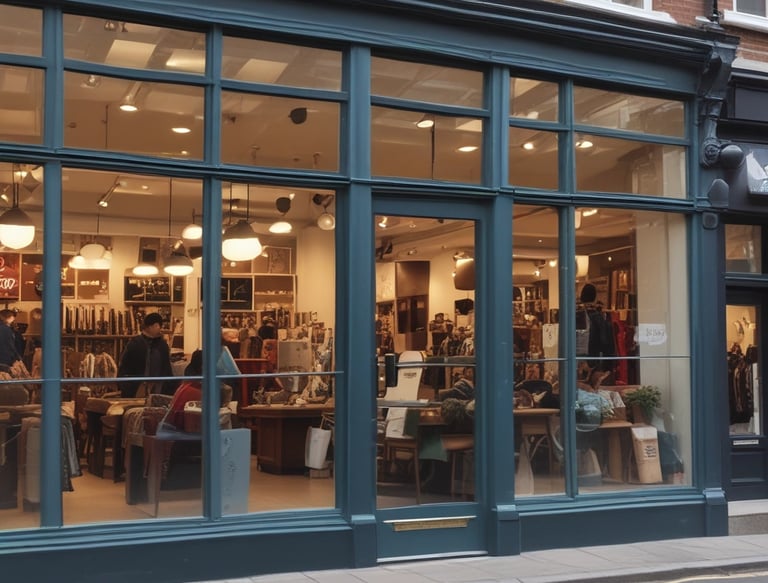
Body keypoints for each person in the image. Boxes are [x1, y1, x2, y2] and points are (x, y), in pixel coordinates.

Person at [117, 313, 174, 397]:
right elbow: (124, 368)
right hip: (136, 389)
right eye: (157, 325)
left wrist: (169, 387)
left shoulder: (162, 345)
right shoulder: (134, 344)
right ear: (151, 326)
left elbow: (166, 368)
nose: (159, 328)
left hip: (158, 388)